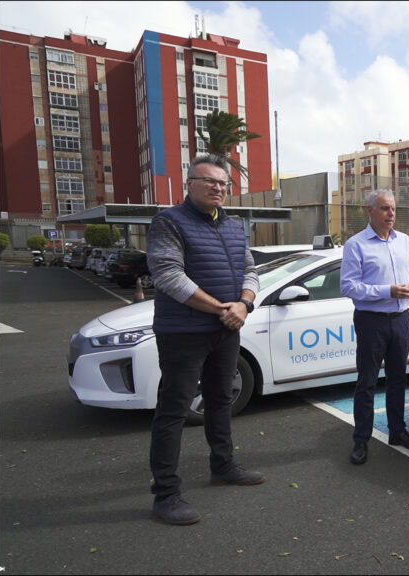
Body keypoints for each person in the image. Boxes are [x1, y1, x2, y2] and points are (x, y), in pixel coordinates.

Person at [146, 154, 265, 525]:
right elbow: (168, 275)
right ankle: (166, 494)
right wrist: (221, 309)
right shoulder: (169, 221)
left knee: (220, 400)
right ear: (190, 184)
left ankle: (223, 466)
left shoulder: (232, 225)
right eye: (209, 181)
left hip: (225, 331)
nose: (217, 188)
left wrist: (244, 304)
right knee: (174, 410)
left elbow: (250, 271)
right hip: (183, 332)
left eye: (223, 183)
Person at [341, 189, 409, 465]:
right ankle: (361, 440)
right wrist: (387, 291)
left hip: (401, 320)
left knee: (397, 379)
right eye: (385, 208)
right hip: (371, 322)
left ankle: (397, 432)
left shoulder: (405, 242)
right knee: (366, 381)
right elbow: (348, 286)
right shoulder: (356, 245)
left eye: (393, 209)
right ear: (370, 211)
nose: (391, 214)